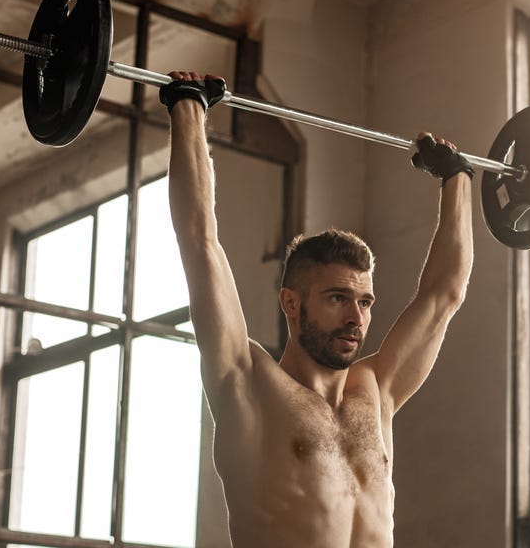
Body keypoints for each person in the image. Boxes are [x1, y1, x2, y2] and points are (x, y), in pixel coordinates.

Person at [161, 71, 473, 547]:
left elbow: (444, 294)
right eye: (337, 298)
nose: (356, 318)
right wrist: (188, 108)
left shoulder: (376, 390)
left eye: (365, 301)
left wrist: (457, 179)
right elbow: (200, 241)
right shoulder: (247, 381)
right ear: (291, 302)